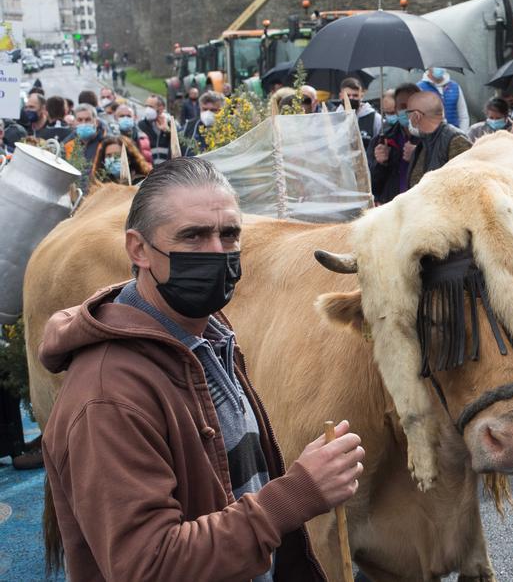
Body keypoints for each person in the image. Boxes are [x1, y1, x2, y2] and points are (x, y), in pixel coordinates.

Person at [40, 157, 360, 580]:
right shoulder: (108, 396)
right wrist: (297, 494)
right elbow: (148, 565)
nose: (216, 252)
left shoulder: (210, 339)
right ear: (138, 249)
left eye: (229, 235)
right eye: (193, 236)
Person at [405, 90, 471, 188]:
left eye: (408, 114)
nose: (408, 119)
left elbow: (465, 183)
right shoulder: (425, 141)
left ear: (417, 116)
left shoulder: (456, 139)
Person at [368, 83, 419, 204]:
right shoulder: (382, 140)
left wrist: (418, 155)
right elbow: (371, 187)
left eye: (411, 106)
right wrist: (380, 163)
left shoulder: (430, 138)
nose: (406, 111)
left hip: (420, 206)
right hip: (392, 208)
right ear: (396, 109)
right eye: (402, 106)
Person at [335, 77, 381, 147]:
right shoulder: (334, 118)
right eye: (348, 95)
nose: (351, 98)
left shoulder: (374, 118)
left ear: (362, 95)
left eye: (355, 95)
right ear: (341, 96)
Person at [181, 92, 225, 156]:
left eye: (213, 110)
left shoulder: (228, 128)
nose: (208, 113)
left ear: (222, 110)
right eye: (205, 109)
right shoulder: (188, 128)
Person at [138, 95, 173, 167]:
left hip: (169, 168)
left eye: (151, 107)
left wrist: (166, 130)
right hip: (150, 169)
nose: (147, 109)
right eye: (146, 106)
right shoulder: (141, 125)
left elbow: (181, 142)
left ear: (161, 108)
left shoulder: (172, 123)